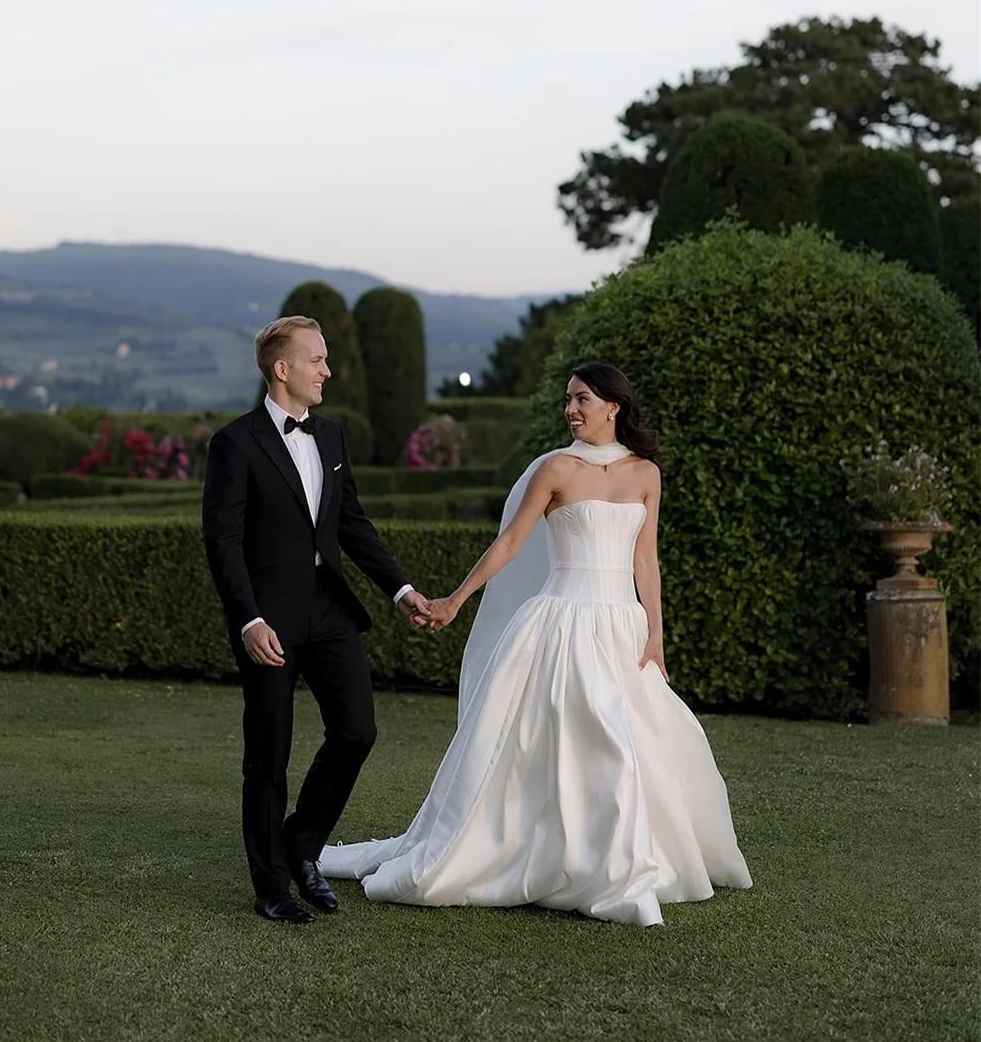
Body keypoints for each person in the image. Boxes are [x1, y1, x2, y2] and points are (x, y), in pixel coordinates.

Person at [321, 362, 752, 925]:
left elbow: (646, 557)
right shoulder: (555, 469)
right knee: (571, 736)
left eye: (581, 400)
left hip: (621, 626)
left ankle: (626, 863)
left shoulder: (646, 474)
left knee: (637, 736)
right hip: (560, 621)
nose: (571, 411)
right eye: (567, 402)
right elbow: (509, 546)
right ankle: (564, 859)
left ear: (612, 407)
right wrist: (454, 599)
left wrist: (656, 633)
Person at [202, 315, 432, 924]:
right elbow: (221, 540)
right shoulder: (235, 443)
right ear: (283, 370)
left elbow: (351, 524)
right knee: (268, 753)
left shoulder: (329, 435)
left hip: (329, 610)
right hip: (267, 622)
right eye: (317, 361)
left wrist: (400, 588)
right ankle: (271, 886)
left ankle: (301, 846)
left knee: (357, 730)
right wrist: (248, 620)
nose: (327, 370)